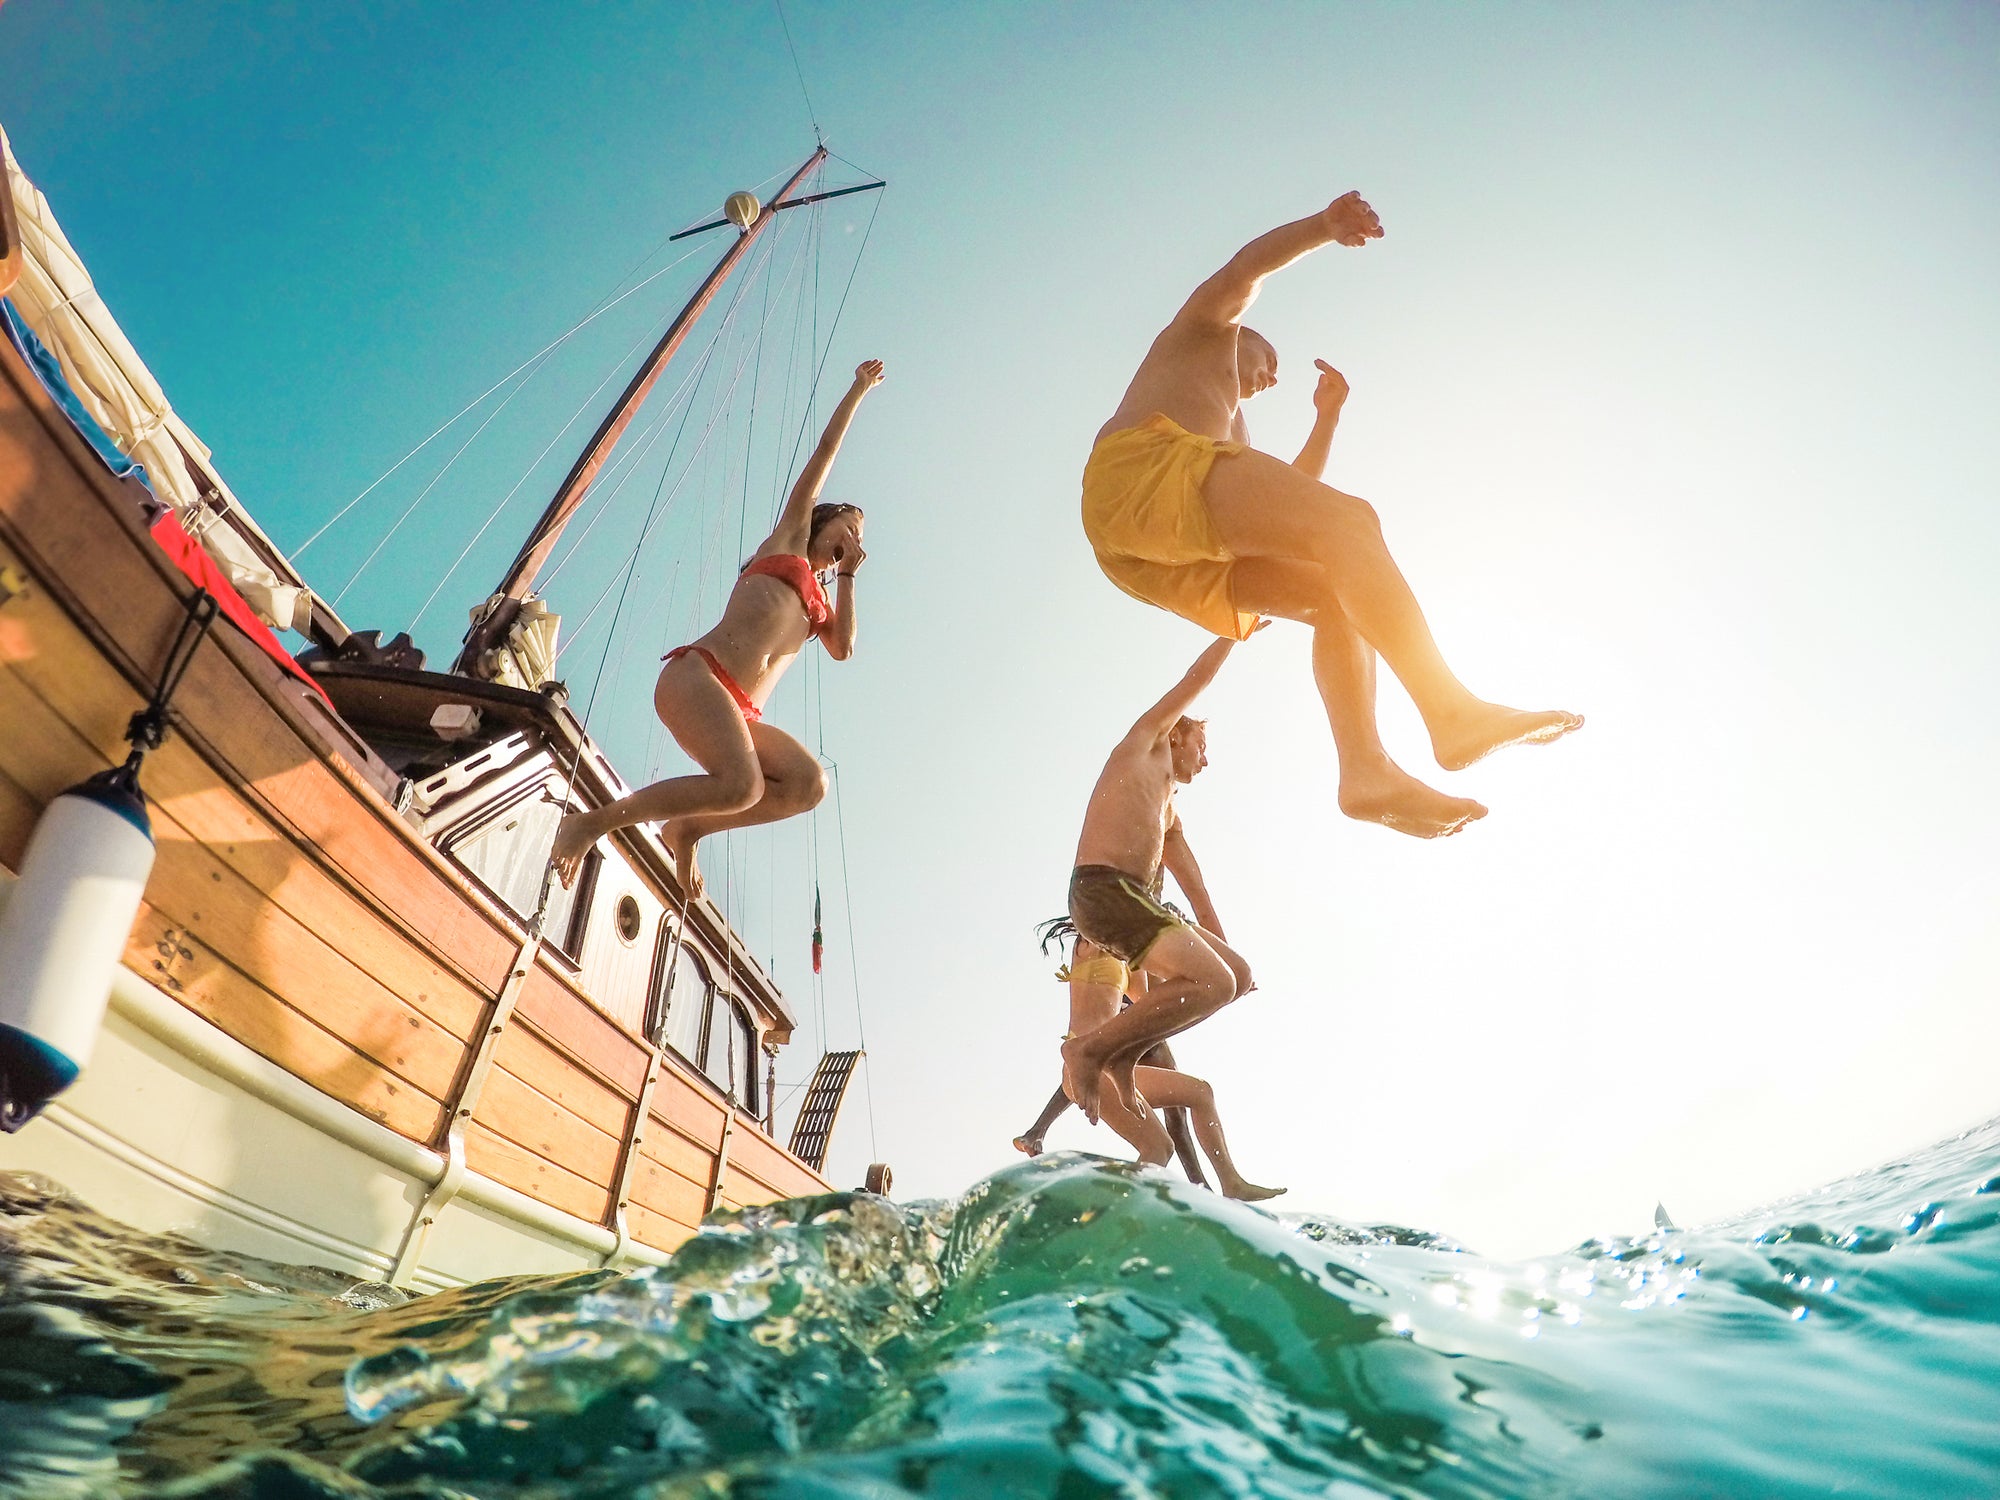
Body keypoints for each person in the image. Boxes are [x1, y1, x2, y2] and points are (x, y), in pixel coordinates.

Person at [1083, 191, 1581, 839]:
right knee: (1353, 522)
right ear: (1246, 335)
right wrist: (1322, 227)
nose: (1271, 376)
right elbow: (1244, 269)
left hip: (1145, 551)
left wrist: (1327, 418)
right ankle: (1450, 711)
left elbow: (1285, 503)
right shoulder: (1204, 331)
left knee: (1332, 590)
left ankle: (1365, 771)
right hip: (1138, 472)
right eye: (1270, 362)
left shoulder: (1227, 432)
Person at [552, 360, 884, 892]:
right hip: (698, 676)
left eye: (861, 534)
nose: (857, 535)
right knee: (742, 784)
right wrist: (859, 389)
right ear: (827, 521)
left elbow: (844, 648)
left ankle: (687, 828)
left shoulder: (821, 606)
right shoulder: (789, 540)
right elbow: (823, 456)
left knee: (807, 784)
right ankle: (590, 824)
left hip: (741, 712)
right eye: (851, 524)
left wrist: (846, 573)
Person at [1057, 635, 1272, 1134]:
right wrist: (1234, 630)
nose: (1206, 759)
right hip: (1102, 890)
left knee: (1233, 976)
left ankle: (1122, 1055)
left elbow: (1196, 893)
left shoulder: (1168, 814)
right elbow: (1194, 681)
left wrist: (1228, 956)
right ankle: (1091, 1050)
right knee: (1215, 981)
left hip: (1130, 903)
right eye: (1203, 745)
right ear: (1180, 735)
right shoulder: (1147, 743)